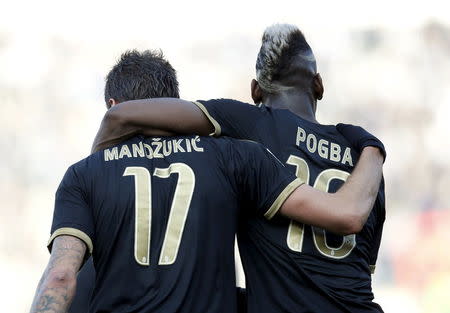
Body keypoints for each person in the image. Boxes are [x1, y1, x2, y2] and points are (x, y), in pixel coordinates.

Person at [29, 49, 384, 313]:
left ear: (112, 104)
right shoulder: (233, 156)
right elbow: (340, 214)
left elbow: (60, 277)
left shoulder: (83, 174)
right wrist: (370, 149)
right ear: (175, 103)